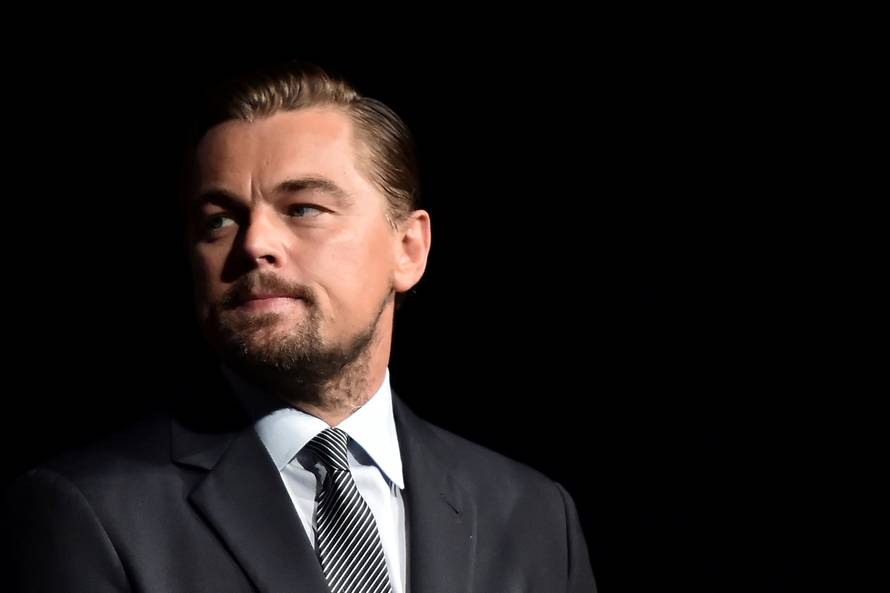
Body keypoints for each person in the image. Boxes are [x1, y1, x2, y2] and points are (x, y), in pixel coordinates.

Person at [8, 61, 596, 593]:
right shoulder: (90, 513)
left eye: (304, 209)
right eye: (218, 221)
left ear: (408, 249)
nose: (254, 243)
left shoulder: (537, 515)